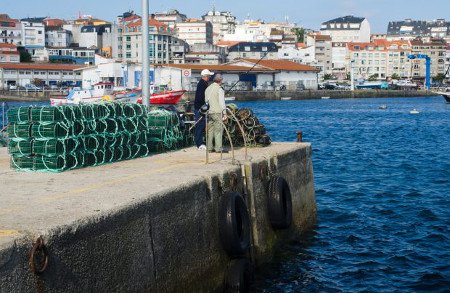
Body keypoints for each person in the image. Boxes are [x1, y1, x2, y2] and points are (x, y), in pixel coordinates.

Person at [205, 74, 228, 153]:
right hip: (217, 112)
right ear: (221, 80)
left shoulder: (208, 88)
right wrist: (225, 114)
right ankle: (218, 148)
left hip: (209, 112)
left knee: (210, 130)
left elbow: (206, 101)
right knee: (218, 130)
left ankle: (209, 148)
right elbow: (222, 103)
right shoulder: (219, 89)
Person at [194, 69, 214, 150]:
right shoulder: (202, 84)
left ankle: (200, 142)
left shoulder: (203, 83)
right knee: (200, 126)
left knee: (201, 126)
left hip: (200, 108)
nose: (210, 77)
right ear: (206, 76)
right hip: (200, 109)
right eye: (209, 76)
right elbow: (200, 97)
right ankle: (199, 144)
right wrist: (204, 105)